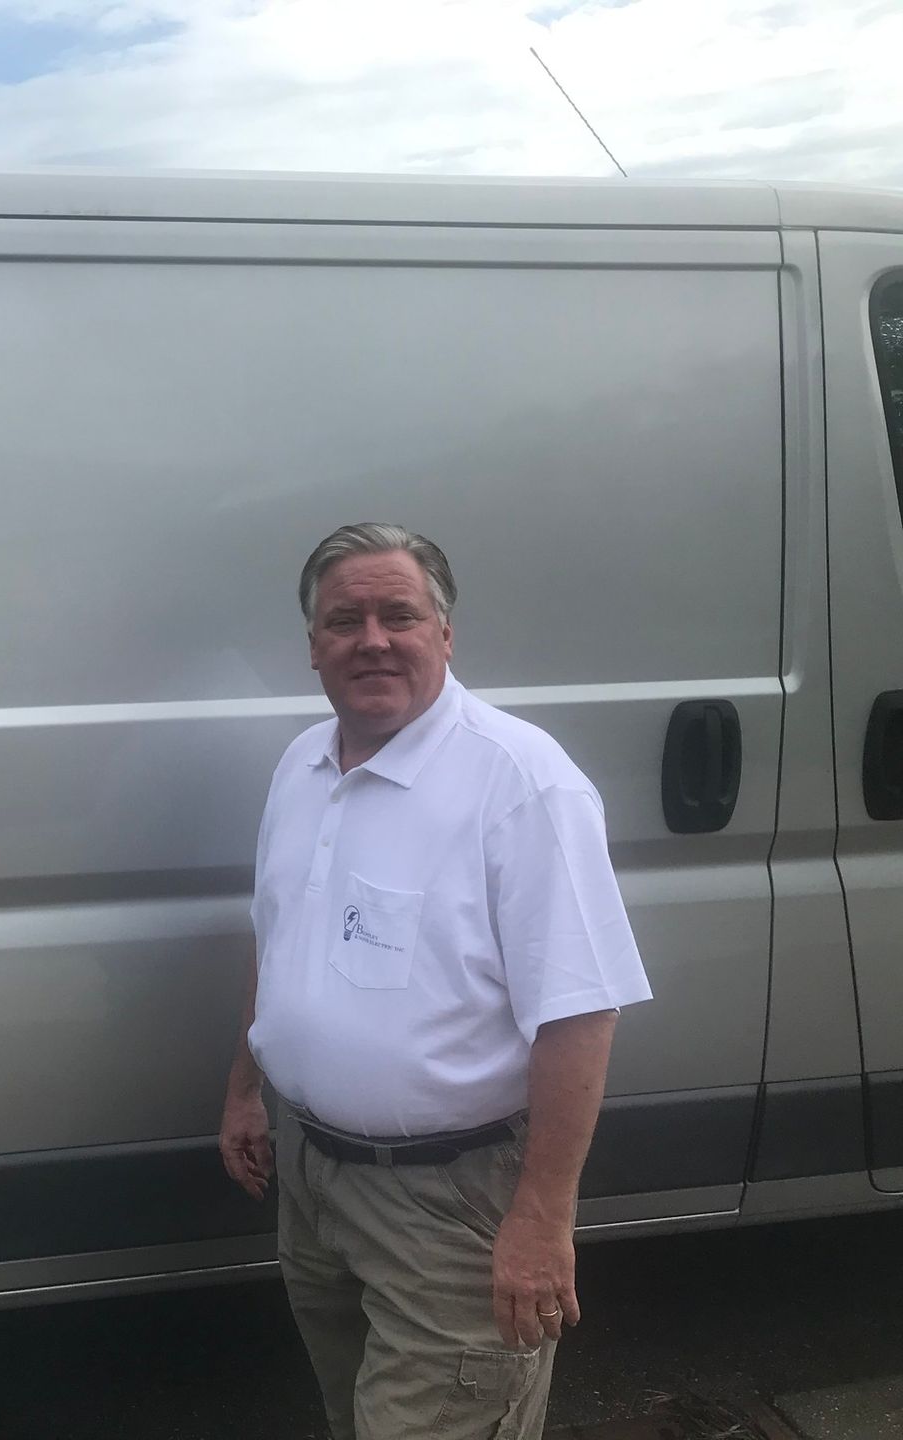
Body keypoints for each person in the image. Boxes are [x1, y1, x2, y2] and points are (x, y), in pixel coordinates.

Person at [219, 523, 651, 1440]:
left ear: (444, 635)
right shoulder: (301, 766)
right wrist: (248, 1088)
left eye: (399, 615)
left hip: (450, 1203)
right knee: (354, 1416)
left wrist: (541, 1220)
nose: (372, 638)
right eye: (344, 619)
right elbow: (279, 938)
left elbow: (580, 1011)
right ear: (312, 646)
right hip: (312, 1177)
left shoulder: (521, 782)